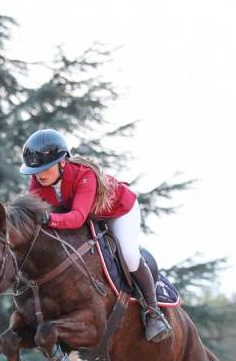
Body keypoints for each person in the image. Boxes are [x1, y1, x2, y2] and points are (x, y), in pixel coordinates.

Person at [19, 129, 172, 343]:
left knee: (128, 254)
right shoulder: (37, 182)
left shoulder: (84, 175)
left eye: (45, 168)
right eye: (34, 171)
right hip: (90, 217)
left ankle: (153, 312)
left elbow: (76, 218)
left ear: (63, 163)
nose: (39, 175)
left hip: (118, 211)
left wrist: (49, 219)